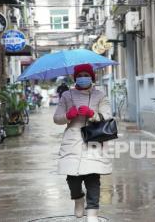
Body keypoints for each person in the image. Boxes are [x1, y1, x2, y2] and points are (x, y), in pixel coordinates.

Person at [53, 64, 112, 222]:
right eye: (80, 75)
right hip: (72, 140)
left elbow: (107, 115)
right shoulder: (67, 95)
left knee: (93, 178)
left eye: (86, 74)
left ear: (92, 77)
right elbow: (56, 118)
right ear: (75, 78)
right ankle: (78, 199)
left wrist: (92, 114)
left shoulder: (100, 95)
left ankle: (92, 212)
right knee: (72, 178)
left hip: (94, 138)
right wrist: (68, 115)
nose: (83, 77)